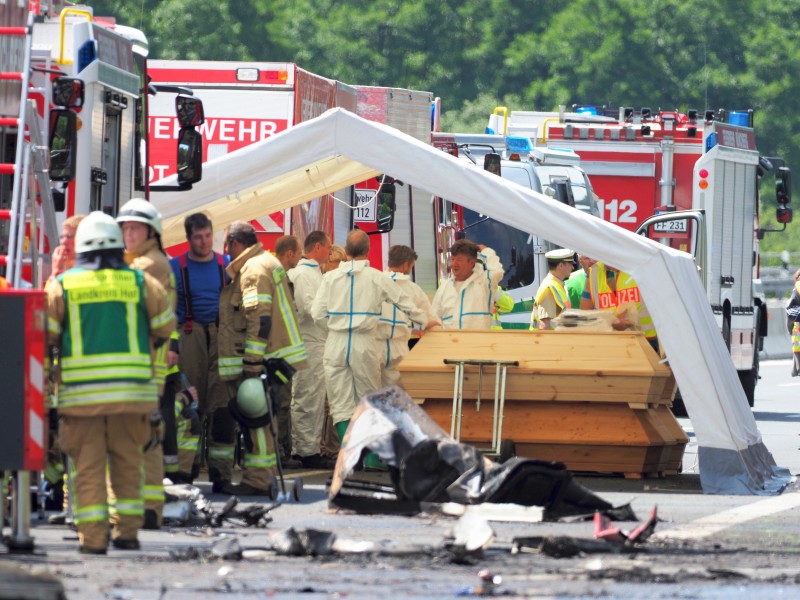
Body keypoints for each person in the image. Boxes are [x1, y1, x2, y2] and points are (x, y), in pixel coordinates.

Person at [45, 211, 174, 554]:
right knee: (128, 462)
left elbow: (48, 336)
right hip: (133, 396)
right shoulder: (141, 283)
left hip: (81, 399)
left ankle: (93, 540)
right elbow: (164, 327)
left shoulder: (63, 285)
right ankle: (127, 533)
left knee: (87, 469)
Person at [310, 229, 438, 442]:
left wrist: (333, 328)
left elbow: (316, 314)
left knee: (340, 402)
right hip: (364, 342)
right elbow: (403, 301)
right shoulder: (376, 278)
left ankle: (349, 456)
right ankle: (371, 457)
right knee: (369, 398)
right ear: (368, 251)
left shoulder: (330, 278)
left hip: (336, 343)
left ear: (347, 250)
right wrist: (425, 321)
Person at [218, 221, 308, 495]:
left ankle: (257, 480)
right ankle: (264, 476)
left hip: (265, 359)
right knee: (265, 419)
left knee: (256, 417)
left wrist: (252, 363)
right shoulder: (266, 262)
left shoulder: (253, 270)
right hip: (279, 355)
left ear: (234, 244)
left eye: (227, 246)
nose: (227, 252)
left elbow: (259, 318)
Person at [117, 198, 178, 529]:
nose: (128, 233)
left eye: (135, 228)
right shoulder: (144, 260)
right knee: (147, 439)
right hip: (147, 367)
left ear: (150, 232)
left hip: (143, 368)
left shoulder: (146, 266)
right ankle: (150, 505)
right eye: (125, 227)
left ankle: (149, 508)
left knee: (143, 440)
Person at [169, 213, 231, 489]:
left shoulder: (225, 265)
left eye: (208, 235)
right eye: (198, 237)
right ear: (188, 238)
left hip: (219, 338)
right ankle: (187, 471)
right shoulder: (175, 267)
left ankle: (221, 474)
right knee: (189, 406)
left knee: (221, 407)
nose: (204, 242)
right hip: (189, 337)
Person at [288, 231, 336, 469]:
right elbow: (310, 309)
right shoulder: (304, 275)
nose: (329, 252)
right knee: (307, 396)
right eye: (328, 247)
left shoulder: (312, 273)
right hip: (309, 342)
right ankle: (305, 450)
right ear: (317, 247)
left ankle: (310, 447)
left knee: (314, 397)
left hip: (315, 342)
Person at [378, 244, 437, 386]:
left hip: (373, 346)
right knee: (398, 395)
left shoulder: (375, 281)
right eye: (411, 267)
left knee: (371, 394)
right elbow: (430, 319)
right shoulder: (413, 289)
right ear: (405, 265)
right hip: (398, 348)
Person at [273, 234, 304, 469]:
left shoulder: (281, 276)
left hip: (282, 350)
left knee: (282, 402)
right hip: (279, 351)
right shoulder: (278, 276)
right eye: (299, 252)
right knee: (281, 403)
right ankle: (280, 454)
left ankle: (281, 451)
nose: (301, 256)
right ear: (290, 253)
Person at [580, 261, 658, 351]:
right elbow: (585, 313)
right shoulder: (595, 272)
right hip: (609, 343)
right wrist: (611, 322)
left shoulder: (643, 266)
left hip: (646, 341)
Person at [432, 238, 505, 329]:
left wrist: (486, 251)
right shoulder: (444, 288)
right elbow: (434, 319)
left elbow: (497, 272)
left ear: (472, 262)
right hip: (450, 342)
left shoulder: (484, 283)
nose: (454, 264)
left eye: (459, 260)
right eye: (453, 259)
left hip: (478, 343)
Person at [530, 248, 576, 330]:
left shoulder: (555, 285)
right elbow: (544, 325)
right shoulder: (549, 288)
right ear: (561, 266)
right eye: (570, 264)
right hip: (550, 342)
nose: (573, 267)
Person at [786, 268, 800, 376]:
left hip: (795, 319)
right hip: (796, 319)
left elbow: (795, 277)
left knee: (797, 344)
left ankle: (795, 369)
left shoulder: (797, 286)